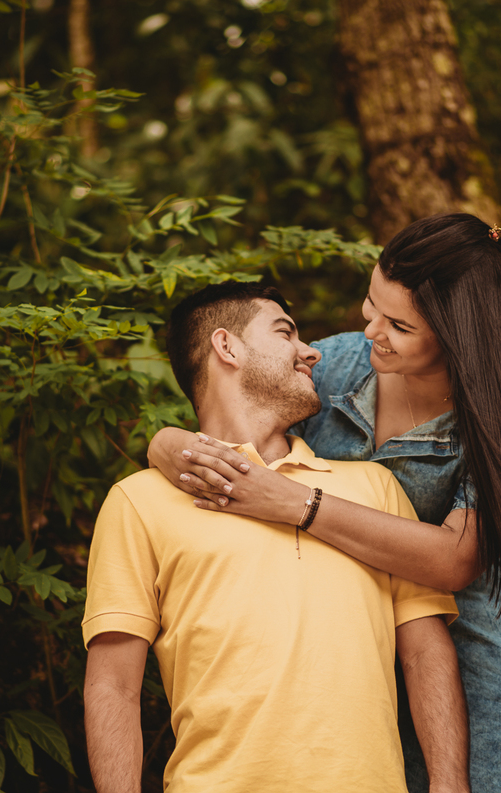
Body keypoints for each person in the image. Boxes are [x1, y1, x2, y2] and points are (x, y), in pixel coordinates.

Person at [148, 213, 501, 793]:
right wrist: (167, 444)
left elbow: (456, 560)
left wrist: (297, 502)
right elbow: (241, 410)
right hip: (345, 632)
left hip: (464, 651)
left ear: (458, 338)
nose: (372, 331)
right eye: (371, 305)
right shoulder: (341, 362)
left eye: (399, 325)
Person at [83, 282, 470, 793]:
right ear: (227, 347)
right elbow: (113, 683)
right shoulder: (139, 501)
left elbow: (423, 652)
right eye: (285, 331)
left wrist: (450, 787)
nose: (312, 352)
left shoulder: (372, 487)